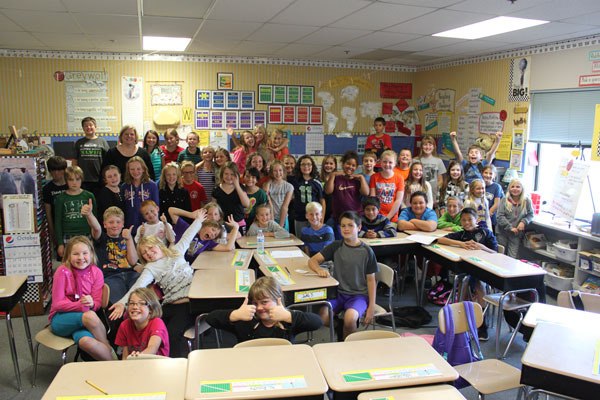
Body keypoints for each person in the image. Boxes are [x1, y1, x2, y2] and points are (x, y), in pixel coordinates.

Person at [109, 211, 205, 358]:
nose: (149, 253)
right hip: (169, 304)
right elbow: (138, 286)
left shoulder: (176, 251)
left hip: (189, 302)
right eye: (144, 253)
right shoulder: (150, 267)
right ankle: (137, 353)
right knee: (145, 321)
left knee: (172, 333)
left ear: (159, 245)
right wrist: (123, 303)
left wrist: (198, 220)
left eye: (150, 248)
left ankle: (173, 366)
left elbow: (188, 235)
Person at [309, 211, 378, 339]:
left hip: (359, 295)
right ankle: (340, 327)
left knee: (350, 318)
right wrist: (319, 270)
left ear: (359, 227)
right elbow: (312, 261)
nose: (346, 229)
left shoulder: (367, 251)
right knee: (322, 318)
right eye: (343, 225)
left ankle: (347, 347)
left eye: (350, 225)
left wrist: (371, 307)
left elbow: (371, 281)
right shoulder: (336, 246)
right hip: (338, 293)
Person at [436, 207, 498, 340]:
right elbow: (441, 239)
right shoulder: (462, 234)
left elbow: (495, 252)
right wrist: (461, 244)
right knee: (464, 282)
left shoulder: (485, 233)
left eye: (470, 219)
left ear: (477, 219)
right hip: (467, 267)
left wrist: (481, 247)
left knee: (478, 284)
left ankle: (482, 324)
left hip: (485, 268)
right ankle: (461, 319)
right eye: (463, 220)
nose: (467, 222)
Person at [49, 236, 113, 361]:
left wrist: (92, 303)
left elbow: (97, 302)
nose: (81, 258)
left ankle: (113, 367)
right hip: (61, 318)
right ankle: (108, 347)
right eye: (75, 254)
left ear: (91, 254)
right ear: (68, 256)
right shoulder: (62, 271)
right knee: (89, 316)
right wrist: (81, 305)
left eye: (85, 253)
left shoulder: (96, 272)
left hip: (85, 322)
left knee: (85, 342)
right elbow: (57, 304)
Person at [206, 277, 322, 344]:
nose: (259, 308)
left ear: (277, 300)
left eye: (264, 302)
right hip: (250, 364)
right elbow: (210, 318)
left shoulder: (287, 321)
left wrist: (288, 316)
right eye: (255, 303)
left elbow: (317, 322)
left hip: (283, 364)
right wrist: (235, 315)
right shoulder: (245, 320)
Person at [83, 205, 139, 305]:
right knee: (119, 303)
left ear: (123, 224)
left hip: (130, 274)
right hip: (111, 276)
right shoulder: (101, 238)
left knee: (139, 299)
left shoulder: (127, 238)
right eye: (111, 222)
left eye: (118, 222)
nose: (114, 225)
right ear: (104, 224)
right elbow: (96, 228)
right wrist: (89, 215)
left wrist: (129, 239)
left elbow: (133, 262)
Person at [169, 207, 240, 263]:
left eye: (215, 235)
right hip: (172, 263)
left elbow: (228, 248)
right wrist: (190, 214)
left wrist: (236, 228)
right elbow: (171, 211)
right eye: (213, 230)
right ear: (205, 225)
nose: (212, 234)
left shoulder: (208, 243)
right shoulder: (188, 228)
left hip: (189, 269)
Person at [115, 288, 169, 358]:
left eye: (141, 303)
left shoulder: (157, 322)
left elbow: (153, 348)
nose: (135, 307)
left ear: (151, 309)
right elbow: (125, 356)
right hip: (135, 365)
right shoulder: (124, 325)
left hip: (157, 365)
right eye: (131, 303)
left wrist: (137, 358)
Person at [55, 166, 96, 258]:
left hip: (86, 234)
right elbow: (57, 222)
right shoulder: (60, 198)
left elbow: (95, 219)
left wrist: (94, 238)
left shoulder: (89, 196)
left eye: (77, 179)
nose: (74, 182)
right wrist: (60, 243)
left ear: (82, 179)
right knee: (69, 262)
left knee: (86, 260)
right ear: (66, 180)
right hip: (68, 235)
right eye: (71, 179)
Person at [325, 150, 369, 237]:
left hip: (355, 217)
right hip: (339, 218)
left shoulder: (357, 179)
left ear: (356, 167)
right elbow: (328, 191)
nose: (350, 167)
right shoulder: (337, 178)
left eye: (353, 165)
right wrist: (333, 175)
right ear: (343, 164)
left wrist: (361, 178)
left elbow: (366, 193)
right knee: (340, 241)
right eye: (348, 164)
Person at [121, 156, 159, 235]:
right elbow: (123, 208)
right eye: (132, 169)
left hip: (148, 228)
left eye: (138, 169)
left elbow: (156, 207)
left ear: (143, 169)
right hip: (130, 227)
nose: (135, 172)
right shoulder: (124, 186)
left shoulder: (152, 185)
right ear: (128, 170)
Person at [496, 178, 534, 258]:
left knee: (512, 256)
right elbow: (499, 216)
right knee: (500, 255)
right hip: (502, 232)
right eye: (512, 186)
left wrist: (523, 222)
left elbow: (530, 214)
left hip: (516, 234)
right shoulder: (504, 200)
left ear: (522, 188)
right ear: (509, 188)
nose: (515, 189)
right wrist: (510, 227)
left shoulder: (526, 201)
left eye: (518, 187)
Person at [292, 155, 325, 238]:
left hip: (315, 217)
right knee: (301, 240)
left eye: (308, 164)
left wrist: (321, 218)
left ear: (312, 166)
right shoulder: (294, 181)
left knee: (314, 239)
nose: (306, 166)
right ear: (299, 166)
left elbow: (322, 201)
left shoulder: (317, 182)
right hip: (300, 217)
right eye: (303, 164)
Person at [75, 116, 109, 194]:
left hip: (99, 179)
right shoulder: (79, 142)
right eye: (86, 126)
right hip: (83, 179)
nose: (88, 127)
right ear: (83, 128)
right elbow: (75, 160)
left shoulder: (102, 141)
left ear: (95, 127)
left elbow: (108, 161)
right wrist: (75, 177)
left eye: (91, 125)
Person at [213, 161, 250, 232]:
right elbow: (214, 208)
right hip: (222, 224)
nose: (229, 177)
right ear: (222, 174)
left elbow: (246, 204)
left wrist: (237, 185)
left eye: (232, 174)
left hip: (239, 224)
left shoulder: (240, 187)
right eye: (226, 174)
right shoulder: (216, 189)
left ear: (236, 175)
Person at [369, 150, 404, 224]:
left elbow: (398, 201)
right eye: (384, 162)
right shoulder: (374, 177)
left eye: (390, 162)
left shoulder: (399, 178)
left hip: (392, 218)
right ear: (380, 162)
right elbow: (373, 198)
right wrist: (376, 215)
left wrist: (388, 218)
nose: (387, 164)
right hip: (376, 216)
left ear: (395, 163)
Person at [43, 156, 68, 255]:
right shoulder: (47, 189)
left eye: (59, 170)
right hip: (57, 226)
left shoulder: (71, 184)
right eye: (53, 170)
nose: (56, 173)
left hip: (72, 225)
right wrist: (53, 234)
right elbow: (48, 213)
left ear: (64, 170)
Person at [415, 135, 446, 207]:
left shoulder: (438, 161)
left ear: (434, 147)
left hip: (433, 194)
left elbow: (440, 180)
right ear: (422, 146)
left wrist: (433, 189)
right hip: (419, 192)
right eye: (425, 144)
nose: (428, 147)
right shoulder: (415, 160)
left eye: (430, 145)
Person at [264, 160, 294, 231]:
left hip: (283, 218)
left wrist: (280, 226)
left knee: (283, 239)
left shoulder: (289, 186)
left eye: (280, 170)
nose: (278, 173)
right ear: (271, 172)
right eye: (275, 171)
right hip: (270, 217)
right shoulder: (267, 185)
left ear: (283, 171)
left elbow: (285, 207)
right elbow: (269, 204)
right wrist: (272, 221)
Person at [482, 164, 504, 232]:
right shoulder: (479, 184)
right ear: (482, 173)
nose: (488, 175)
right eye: (486, 172)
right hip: (478, 217)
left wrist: (487, 216)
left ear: (494, 175)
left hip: (490, 218)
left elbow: (497, 204)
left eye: (490, 173)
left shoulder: (497, 187)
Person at [319, 155, 337, 227]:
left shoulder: (338, 179)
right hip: (321, 210)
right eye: (326, 163)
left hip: (333, 211)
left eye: (331, 163)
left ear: (335, 165)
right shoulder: (318, 178)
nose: (328, 165)